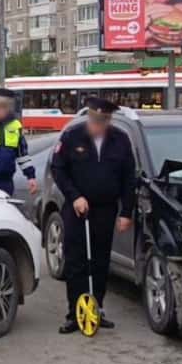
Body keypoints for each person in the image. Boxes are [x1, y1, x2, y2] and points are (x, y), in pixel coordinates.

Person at [52, 98, 136, 334]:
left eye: (102, 121)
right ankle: (74, 313)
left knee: (100, 262)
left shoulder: (120, 139)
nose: (97, 125)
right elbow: (58, 169)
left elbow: (129, 177)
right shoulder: (72, 136)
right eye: (94, 120)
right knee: (76, 260)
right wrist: (74, 196)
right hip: (77, 208)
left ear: (108, 120)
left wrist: (126, 211)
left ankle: (97, 308)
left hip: (106, 209)